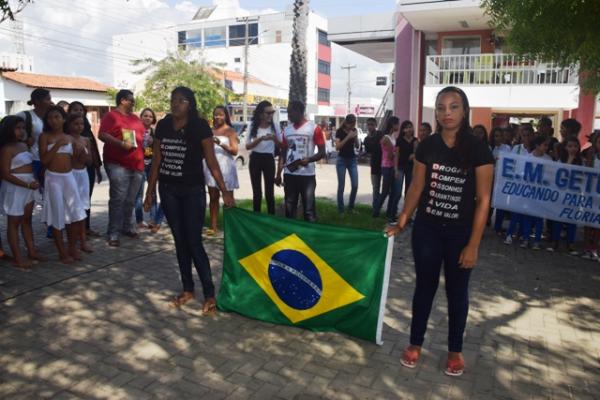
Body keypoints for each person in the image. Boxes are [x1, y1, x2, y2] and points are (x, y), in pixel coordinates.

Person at [386, 86, 494, 377]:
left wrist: (473, 245)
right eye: (441, 107)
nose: (447, 113)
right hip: (428, 230)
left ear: (464, 110)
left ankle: (455, 350)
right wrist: (402, 220)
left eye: (453, 107)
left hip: (461, 234)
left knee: (457, 293)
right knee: (424, 288)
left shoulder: (478, 148)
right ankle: (415, 343)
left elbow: (484, 200)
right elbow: (417, 187)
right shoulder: (428, 145)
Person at [144, 86, 234, 314]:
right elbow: (156, 160)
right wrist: (150, 191)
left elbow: (211, 161)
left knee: (194, 241)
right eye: (173, 100)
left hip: (193, 191)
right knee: (179, 241)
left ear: (190, 104)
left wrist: (223, 190)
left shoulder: (199, 126)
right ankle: (187, 289)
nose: (176, 104)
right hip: (168, 190)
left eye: (181, 100)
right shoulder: (163, 125)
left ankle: (210, 294)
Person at [39, 106, 87, 263]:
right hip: (53, 179)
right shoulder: (44, 137)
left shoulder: (70, 137)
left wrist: (82, 150)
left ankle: (72, 247)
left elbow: (80, 159)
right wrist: (58, 145)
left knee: (76, 215)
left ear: (63, 119)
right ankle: (62, 252)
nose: (53, 121)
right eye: (50, 118)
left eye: (57, 117)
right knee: (58, 216)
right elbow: (44, 161)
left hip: (69, 178)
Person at [98, 89, 145, 247]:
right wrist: (121, 144)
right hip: (117, 163)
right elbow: (102, 135)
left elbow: (142, 136)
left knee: (131, 199)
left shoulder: (134, 118)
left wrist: (148, 140)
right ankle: (113, 233)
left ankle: (127, 227)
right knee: (118, 199)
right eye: (131, 100)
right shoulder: (111, 116)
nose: (133, 103)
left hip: (136, 163)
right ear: (123, 100)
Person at [0, 116, 44, 268]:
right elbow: (5, 173)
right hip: (15, 188)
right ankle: (18, 258)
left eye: (23, 128)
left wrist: (35, 180)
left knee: (27, 220)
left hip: (29, 186)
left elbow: (30, 166)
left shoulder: (24, 145)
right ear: (8, 129)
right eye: (17, 128)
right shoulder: (6, 149)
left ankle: (31, 251)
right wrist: (26, 184)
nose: (21, 131)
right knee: (14, 223)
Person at [275, 101, 325, 221]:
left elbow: (322, 152)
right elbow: (283, 152)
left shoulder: (314, 128)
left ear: (299, 111)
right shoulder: (287, 130)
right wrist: (278, 174)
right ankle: (291, 236)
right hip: (290, 174)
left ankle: (309, 236)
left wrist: (309, 159)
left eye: (290, 112)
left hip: (307, 176)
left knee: (309, 210)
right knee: (289, 208)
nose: (288, 115)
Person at [67, 101, 102, 237]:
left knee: (85, 199)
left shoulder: (86, 129)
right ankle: (73, 230)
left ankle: (85, 228)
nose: (79, 112)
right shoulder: (65, 134)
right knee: (72, 201)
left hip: (88, 169)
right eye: (75, 109)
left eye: (81, 110)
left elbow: (94, 151)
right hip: (71, 171)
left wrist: (98, 169)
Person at [205, 106, 238, 236]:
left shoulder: (230, 131)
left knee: (228, 199)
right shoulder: (210, 131)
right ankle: (213, 227)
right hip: (211, 167)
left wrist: (220, 143)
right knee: (213, 197)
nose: (218, 117)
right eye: (215, 115)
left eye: (221, 115)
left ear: (226, 116)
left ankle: (232, 228)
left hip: (226, 167)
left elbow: (235, 151)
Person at [245, 100, 281, 214]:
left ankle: (271, 220)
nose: (271, 115)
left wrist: (274, 138)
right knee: (257, 193)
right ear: (260, 114)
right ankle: (257, 218)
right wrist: (260, 139)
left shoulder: (275, 126)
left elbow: (281, 145)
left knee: (269, 192)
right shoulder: (252, 125)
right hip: (255, 158)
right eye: (268, 113)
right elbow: (247, 146)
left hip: (268, 159)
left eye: (272, 112)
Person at [547, 136, 581, 254]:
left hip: (574, 195)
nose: (573, 149)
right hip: (560, 195)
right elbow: (563, 173)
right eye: (570, 146)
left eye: (575, 146)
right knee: (557, 219)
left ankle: (570, 243)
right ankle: (555, 241)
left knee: (572, 219)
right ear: (565, 148)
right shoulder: (560, 161)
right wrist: (570, 159)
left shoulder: (581, 161)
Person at [66, 114, 94, 253]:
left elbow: (89, 161)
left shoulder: (86, 140)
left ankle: (83, 241)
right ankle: (72, 243)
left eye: (81, 124)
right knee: (72, 210)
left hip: (83, 175)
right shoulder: (66, 139)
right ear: (69, 124)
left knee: (82, 209)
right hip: (70, 175)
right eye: (76, 124)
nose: (79, 127)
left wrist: (84, 155)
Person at [134, 108, 164, 233]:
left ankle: (153, 220)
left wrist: (153, 143)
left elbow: (159, 150)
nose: (147, 118)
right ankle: (140, 220)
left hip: (151, 165)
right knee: (138, 194)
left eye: (150, 116)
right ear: (140, 117)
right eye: (145, 115)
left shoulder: (155, 132)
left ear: (153, 119)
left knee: (152, 192)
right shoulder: (135, 131)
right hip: (139, 164)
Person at [520, 136, 552, 250]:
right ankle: (525, 239)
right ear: (538, 145)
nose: (547, 148)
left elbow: (551, 176)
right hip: (528, 193)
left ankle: (537, 241)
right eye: (545, 145)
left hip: (541, 193)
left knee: (539, 219)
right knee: (527, 218)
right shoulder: (527, 158)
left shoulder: (548, 159)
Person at [16, 88, 52, 182]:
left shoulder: (51, 118)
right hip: (31, 160)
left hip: (49, 160)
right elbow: (9, 131)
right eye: (47, 99)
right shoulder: (25, 116)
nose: (51, 102)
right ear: (37, 101)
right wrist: (24, 141)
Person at [373, 116, 399, 220]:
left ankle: (389, 213)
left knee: (392, 191)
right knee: (385, 191)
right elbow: (390, 156)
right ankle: (376, 211)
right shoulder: (386, 138)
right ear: (393, 124)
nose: (398, 125)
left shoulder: (392, 136)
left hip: (391, 167)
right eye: (397, 123)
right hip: (387, 167)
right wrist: (397, 152)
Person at [334, 114, 360, 213]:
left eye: (354, 124)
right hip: (341, 160)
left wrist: (356, 137)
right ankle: (341, 209)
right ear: (346, 123)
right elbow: (337, 147)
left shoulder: (354, 130)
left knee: (355, 185)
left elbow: (357, 146)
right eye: (351, 124)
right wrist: (348, 137)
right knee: (341, 186)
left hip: (352, 160)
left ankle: (351, 207)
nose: (352, 126)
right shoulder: (339, 132)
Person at [391, 120, 416, 219]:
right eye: (407, 127)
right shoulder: (399, 140)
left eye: (411, 127)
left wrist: (414, 154)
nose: (409, 129)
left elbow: (417, 153)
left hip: (410, 169)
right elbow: (396, 155)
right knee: (397, 192)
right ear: (403, 130)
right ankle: (392, 214)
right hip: (400, 168)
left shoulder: (415, 140)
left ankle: (406, 215)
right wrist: (396, 169)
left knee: (408, 193)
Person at [582, 132, 600, 261]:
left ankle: (595, 248)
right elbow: (587, 170)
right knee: (589, 221)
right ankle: (587, 247)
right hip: (591, 192)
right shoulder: (591, 155)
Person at [363, 117, 384, 215]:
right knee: (375, 188)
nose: (370, 126)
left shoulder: (381, 134)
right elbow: (368, 153)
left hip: (385, 165)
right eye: (368, 124)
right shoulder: (366, 139)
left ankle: (381, 206)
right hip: (374, 166)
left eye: (372, 124)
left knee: (386, 189)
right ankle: (376, 210)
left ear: (376, 125)